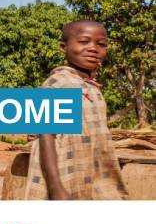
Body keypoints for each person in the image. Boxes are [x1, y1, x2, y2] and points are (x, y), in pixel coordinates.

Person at [24, 20, 128, 200]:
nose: (93, 48)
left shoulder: (91, 87)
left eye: (101, 44)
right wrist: (55, 187)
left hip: (92, 172)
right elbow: (46, 136)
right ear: (63, 47)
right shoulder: (58, 83)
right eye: (83, 41)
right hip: (63, 172)